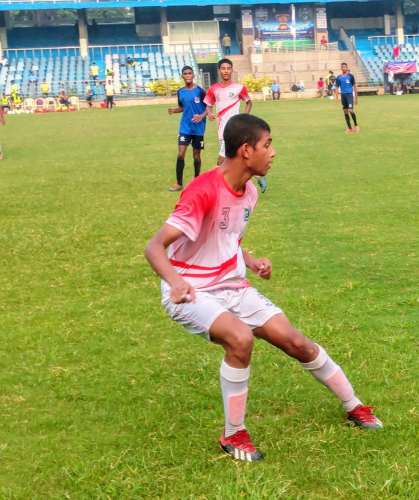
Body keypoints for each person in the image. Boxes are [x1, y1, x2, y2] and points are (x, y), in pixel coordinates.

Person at [144, 114, 381, 463]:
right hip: (192, 290)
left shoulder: (250, 190)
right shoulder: (203, 190)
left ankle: (354, 407)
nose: (272, 153)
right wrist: (176, 281)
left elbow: (227, 239)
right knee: (240, 338)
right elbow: (154, 247)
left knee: (297, 342)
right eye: (267, 145)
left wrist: (251, 261)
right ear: (245, 150)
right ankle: (233, 435)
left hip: (234, 286)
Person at [197, 59, 258, 190]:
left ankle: (217, 189)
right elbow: (208, 105)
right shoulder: (214, 89)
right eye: (223, 68)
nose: (226, 71)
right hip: (221, 130)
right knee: (234, 160)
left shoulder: (239, 88)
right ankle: (256, 175)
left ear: (232, 70)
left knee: (221, 161)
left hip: (234, 129)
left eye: (228, 68)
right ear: (219, 71)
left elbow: (249, 102)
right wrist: (210, 113)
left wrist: (244, 117)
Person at [168, 66, 207, 192]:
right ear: (182, 76)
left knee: (196, 156)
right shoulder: (181, 92)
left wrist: (201, 116)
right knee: (180, 154)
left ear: (193, 76)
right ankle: (179, 183)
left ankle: (197, 181)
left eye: (190, 73)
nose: (188, 75)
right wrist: (174, 110)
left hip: (198, 128)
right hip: (185, 127)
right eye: (185, 73)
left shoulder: (200, 91)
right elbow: (183, 107)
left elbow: (209, 107)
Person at [336, 62, 359, 133]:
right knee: (345, 111)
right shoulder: (339, 78)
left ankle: (356, 125)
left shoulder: (350, 76)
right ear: (341, 68)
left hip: (349, 95)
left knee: (350, 110)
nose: (344, 68)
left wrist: (356, 98)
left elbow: (355, 87)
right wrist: (336, 98)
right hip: (343, 95)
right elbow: (336, 88)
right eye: (343, 67)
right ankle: (350, 128)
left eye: (345, 67)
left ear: (347, 68)